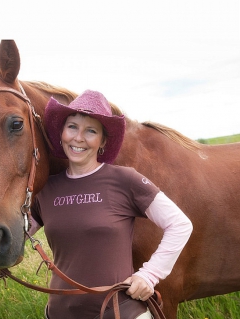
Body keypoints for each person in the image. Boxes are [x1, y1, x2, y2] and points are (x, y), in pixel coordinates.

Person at [28, 90, 193, 319]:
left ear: (103, 141)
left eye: (91, 131)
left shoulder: (125, 180)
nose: (78, 137)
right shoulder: (46, 189)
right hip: (59, 313)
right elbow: (18, 234)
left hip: (119, 312)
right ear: (61, 132)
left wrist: (149, 275)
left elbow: (180, 224)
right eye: (72, 127)